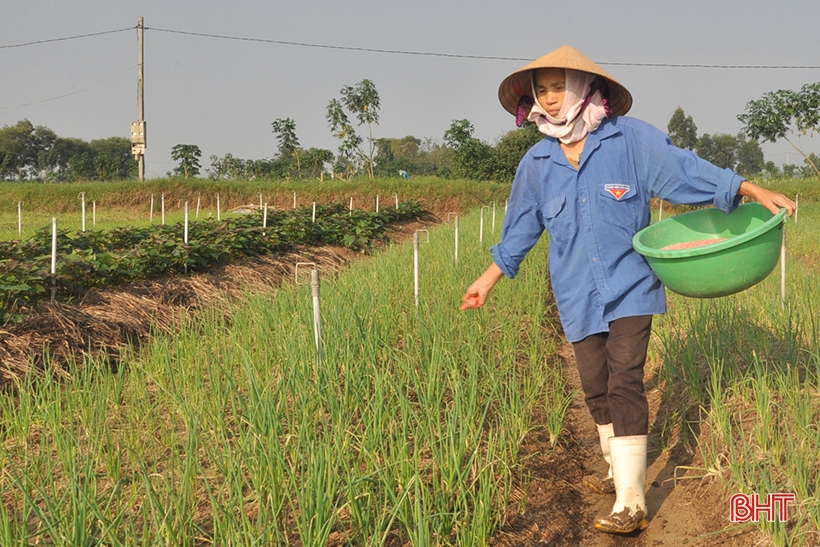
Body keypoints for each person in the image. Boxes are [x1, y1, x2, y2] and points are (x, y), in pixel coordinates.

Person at [460, 45, 795, 535]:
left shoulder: (629, 140)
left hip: (631, 285)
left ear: (582, 88)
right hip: (575, 292)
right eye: (543, 90)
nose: (551, 99)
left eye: (559, 87)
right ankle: (618, 468)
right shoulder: (536, 162)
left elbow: (687, 170)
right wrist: (486, 280)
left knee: (625, 381)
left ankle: (632, 501)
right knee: (596, 388)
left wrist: (749, 190)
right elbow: (521, 230)